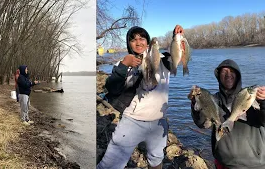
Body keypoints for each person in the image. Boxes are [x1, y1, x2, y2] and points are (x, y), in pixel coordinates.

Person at [97, 25, 184, 169]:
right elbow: (112, 88)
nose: (138, 42)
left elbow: (176, 58)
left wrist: (177, 37)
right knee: (110, 164)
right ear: (129, 44)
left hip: (158, 121)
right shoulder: (123, 63)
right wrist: (124, 65)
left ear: (148, 43)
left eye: (142, 38)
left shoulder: (162, 60)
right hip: (131, 120)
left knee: (156, 160)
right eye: (133, 39)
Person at [190, 59, 265, 169]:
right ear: (218, 77)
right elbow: (201, 123)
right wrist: (196, 104)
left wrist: (263, 102)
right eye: (224, 72)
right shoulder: (212, 99)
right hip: (225, 164)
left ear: (238, 76)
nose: (228, 75)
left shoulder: (250, 96)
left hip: (255, 164)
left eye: (232, 72)